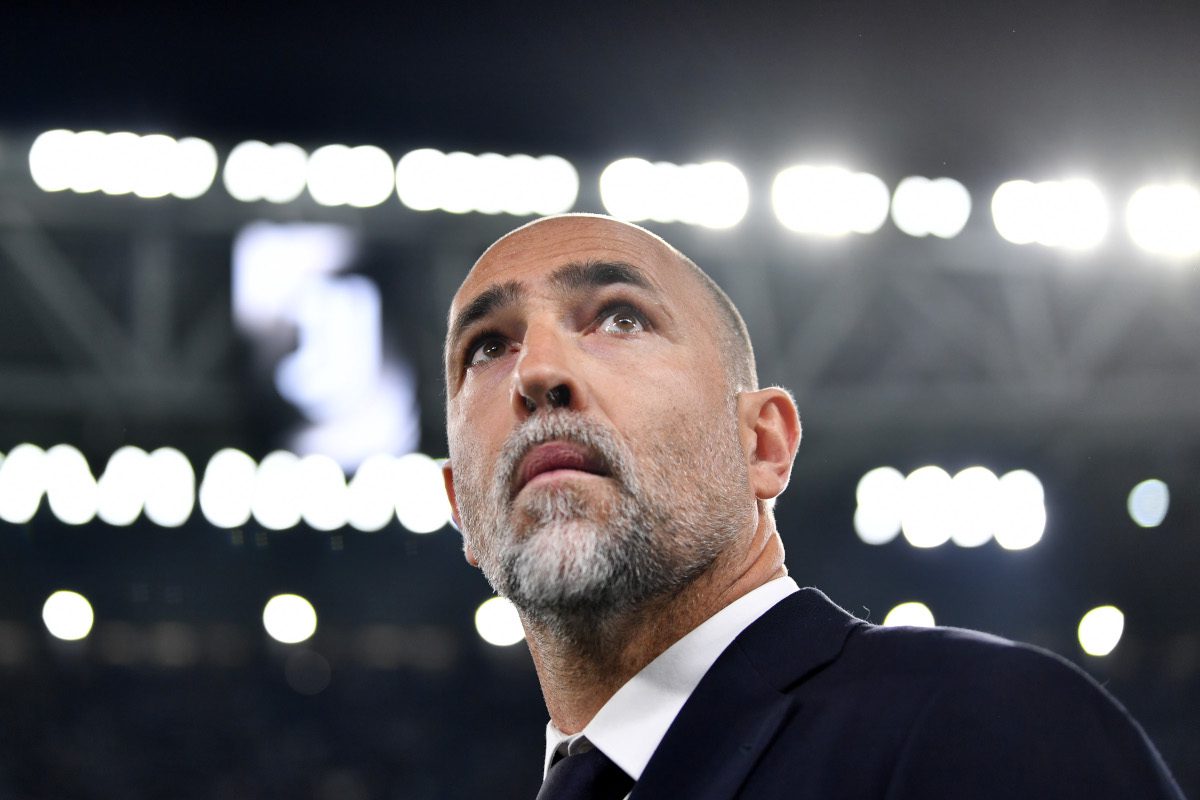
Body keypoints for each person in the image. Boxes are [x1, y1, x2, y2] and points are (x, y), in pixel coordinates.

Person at [440, 214, 1184, 799]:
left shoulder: (989, 727)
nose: (536, 371)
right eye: (486, 347)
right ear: (460, 510)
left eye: (620, 317)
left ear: (763, 444)